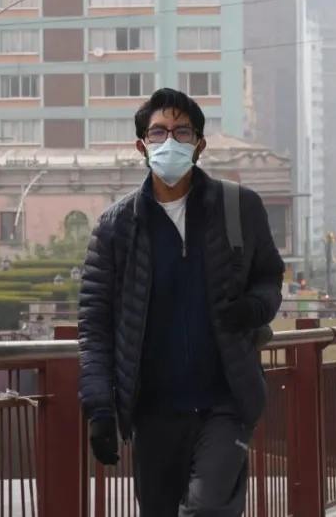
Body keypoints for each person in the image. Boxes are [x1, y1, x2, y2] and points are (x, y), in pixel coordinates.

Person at [78, 88, 285, 516]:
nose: (170, 141)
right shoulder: (117, 226)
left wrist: (255, 309)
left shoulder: (238, 207)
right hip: (152, 412)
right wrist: (99, 408)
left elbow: (269, 275)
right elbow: (95, 324)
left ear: (199, 145)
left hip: (226, 402)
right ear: (142, 145)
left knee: (206, 509)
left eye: (182, 132)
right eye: (158, 132)